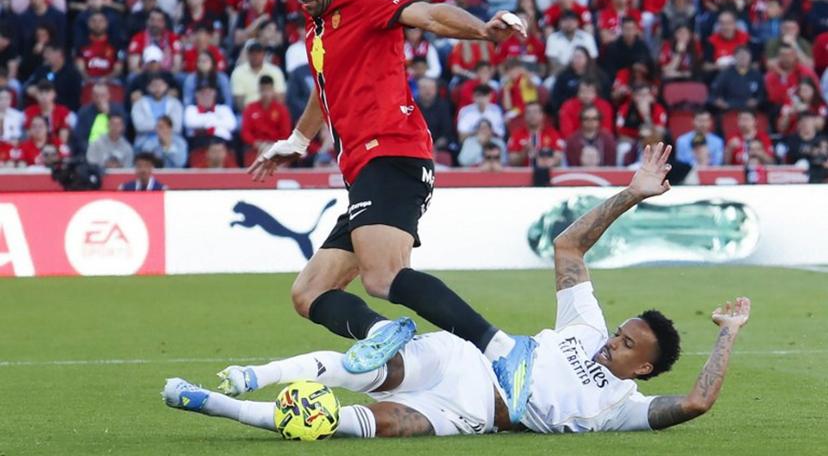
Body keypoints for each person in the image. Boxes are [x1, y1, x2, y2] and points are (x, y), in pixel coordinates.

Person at [165, 143, 753, 440]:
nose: (611, 343)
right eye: (619, 332)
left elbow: (697, 403)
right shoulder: (585, 327)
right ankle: (251, 374)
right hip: (465, 357)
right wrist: (630, 193)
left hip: (472, 412)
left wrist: (726, 334)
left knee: (381, 423)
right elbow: (570, 248)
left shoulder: (622, 409)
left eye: (625, 346)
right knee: (376, 369)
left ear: (644, 370)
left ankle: (216, 404)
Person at [247, 0, 537, 424]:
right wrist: (296, 140)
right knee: (309, 292)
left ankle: (503, 348)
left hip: (394, 154)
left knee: (382, 276)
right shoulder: (319, 27)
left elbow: (426, 14)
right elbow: (325, 86)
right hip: (364, 170)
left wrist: (482, 29)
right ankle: (383, 334)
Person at [240, 75, 292, 152]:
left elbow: (286, 132)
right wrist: (255, 143)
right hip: (256, 148)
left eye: (268, 90)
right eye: (263, 90)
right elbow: (245, 132)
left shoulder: (281, 109)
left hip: (276, 148)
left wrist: (273, 145)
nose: (265, 93)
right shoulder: (250, 108)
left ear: (273, 90)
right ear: (259, 90)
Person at [709, 46, 765, 113]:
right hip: (728, 108)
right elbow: (713, 94)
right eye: (740, 56)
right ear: (735, 57)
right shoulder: (725, 73)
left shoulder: (756, 74)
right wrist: (718, 101)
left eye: (745, 56)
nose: (743, 58)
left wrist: (757, 101)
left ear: (750, 57)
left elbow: (762, 95)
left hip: (750, 110)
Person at [507, 101, 564, 167]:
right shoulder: (517, 135)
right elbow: (512, 161)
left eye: (535, 112)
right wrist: (524, 152)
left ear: (542, 115)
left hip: (546, 173)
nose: (532, 115)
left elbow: (559, 157)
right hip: (523, 174)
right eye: (529, 112)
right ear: (524, 116)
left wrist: (546, 160)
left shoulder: (552, 134)